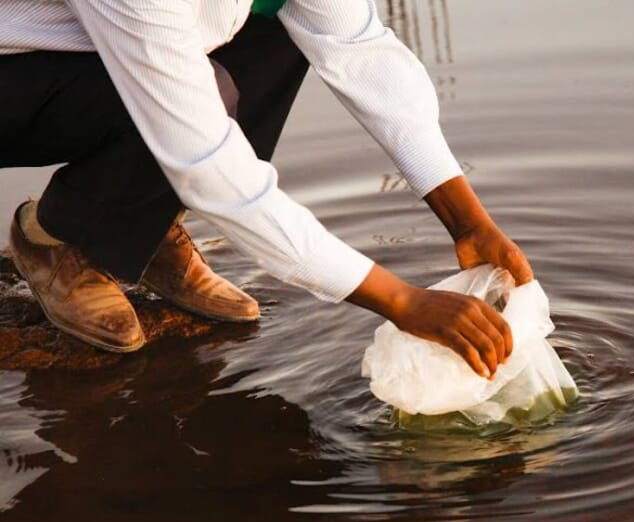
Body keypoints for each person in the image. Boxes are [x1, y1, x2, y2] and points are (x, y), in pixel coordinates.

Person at [0, 0, 533, 378]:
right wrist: (402, 300)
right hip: (15, 71)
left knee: (281, 27)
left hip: (96, 52)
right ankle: (56, 241)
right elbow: (205, 159)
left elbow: (361, 52)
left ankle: (148, 225)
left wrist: (470, 223)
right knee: (200, 95)